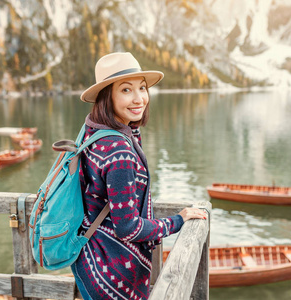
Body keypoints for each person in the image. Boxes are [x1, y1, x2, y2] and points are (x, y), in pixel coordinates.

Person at [71, 52, 207, 300]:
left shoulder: (93, 131)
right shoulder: (119, 149)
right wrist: (178, 220)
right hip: (112, 275)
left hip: (91, 261)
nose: (139, 99)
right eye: (125, 90)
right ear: (107, 96)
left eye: (142, 88)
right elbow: (128, 228)